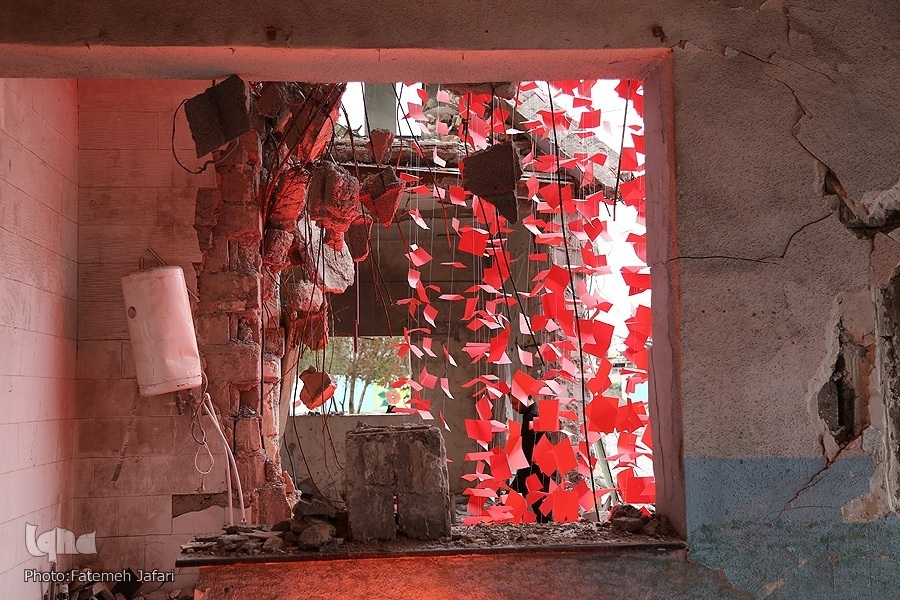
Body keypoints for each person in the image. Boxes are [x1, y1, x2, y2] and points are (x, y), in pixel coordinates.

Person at [508, 396, 552, 523]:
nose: (513, 407)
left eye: (515, 403)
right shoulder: (530, 414)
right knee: (510, 501)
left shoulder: (534, 415)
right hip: (528, 469)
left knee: (543, 513)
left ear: (525, 397)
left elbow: (543, 446)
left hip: (535, 472)